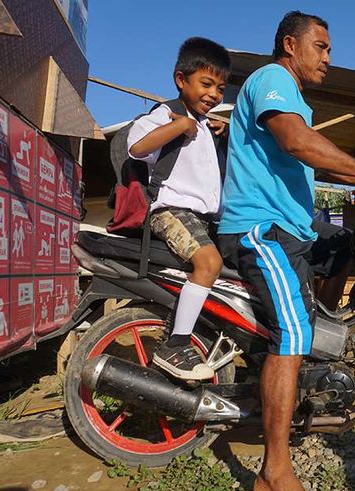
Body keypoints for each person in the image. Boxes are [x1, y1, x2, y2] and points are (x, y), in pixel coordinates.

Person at [217, 11, 355, 491]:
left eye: (329, 48)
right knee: (292, 330)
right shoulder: (272, 79)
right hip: (260, 229)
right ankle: (273, 473)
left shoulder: (294, 100)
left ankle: (314, 359)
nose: (328, 57)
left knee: (348, 250)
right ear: (289, 45)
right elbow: (298, 144)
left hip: (293, 229)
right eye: (320, 46)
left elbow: (316, 162)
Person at [127, 37, 230, 380]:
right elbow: (137, 147)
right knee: (209, 262)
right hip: (169, 211)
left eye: (220, 87)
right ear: (180, 80)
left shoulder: (205, 126)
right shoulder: (167, 113)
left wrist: (216, 131)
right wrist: (178, 125)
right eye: (206, 83)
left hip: (200, 217)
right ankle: (175, 344)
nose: (214, 94)